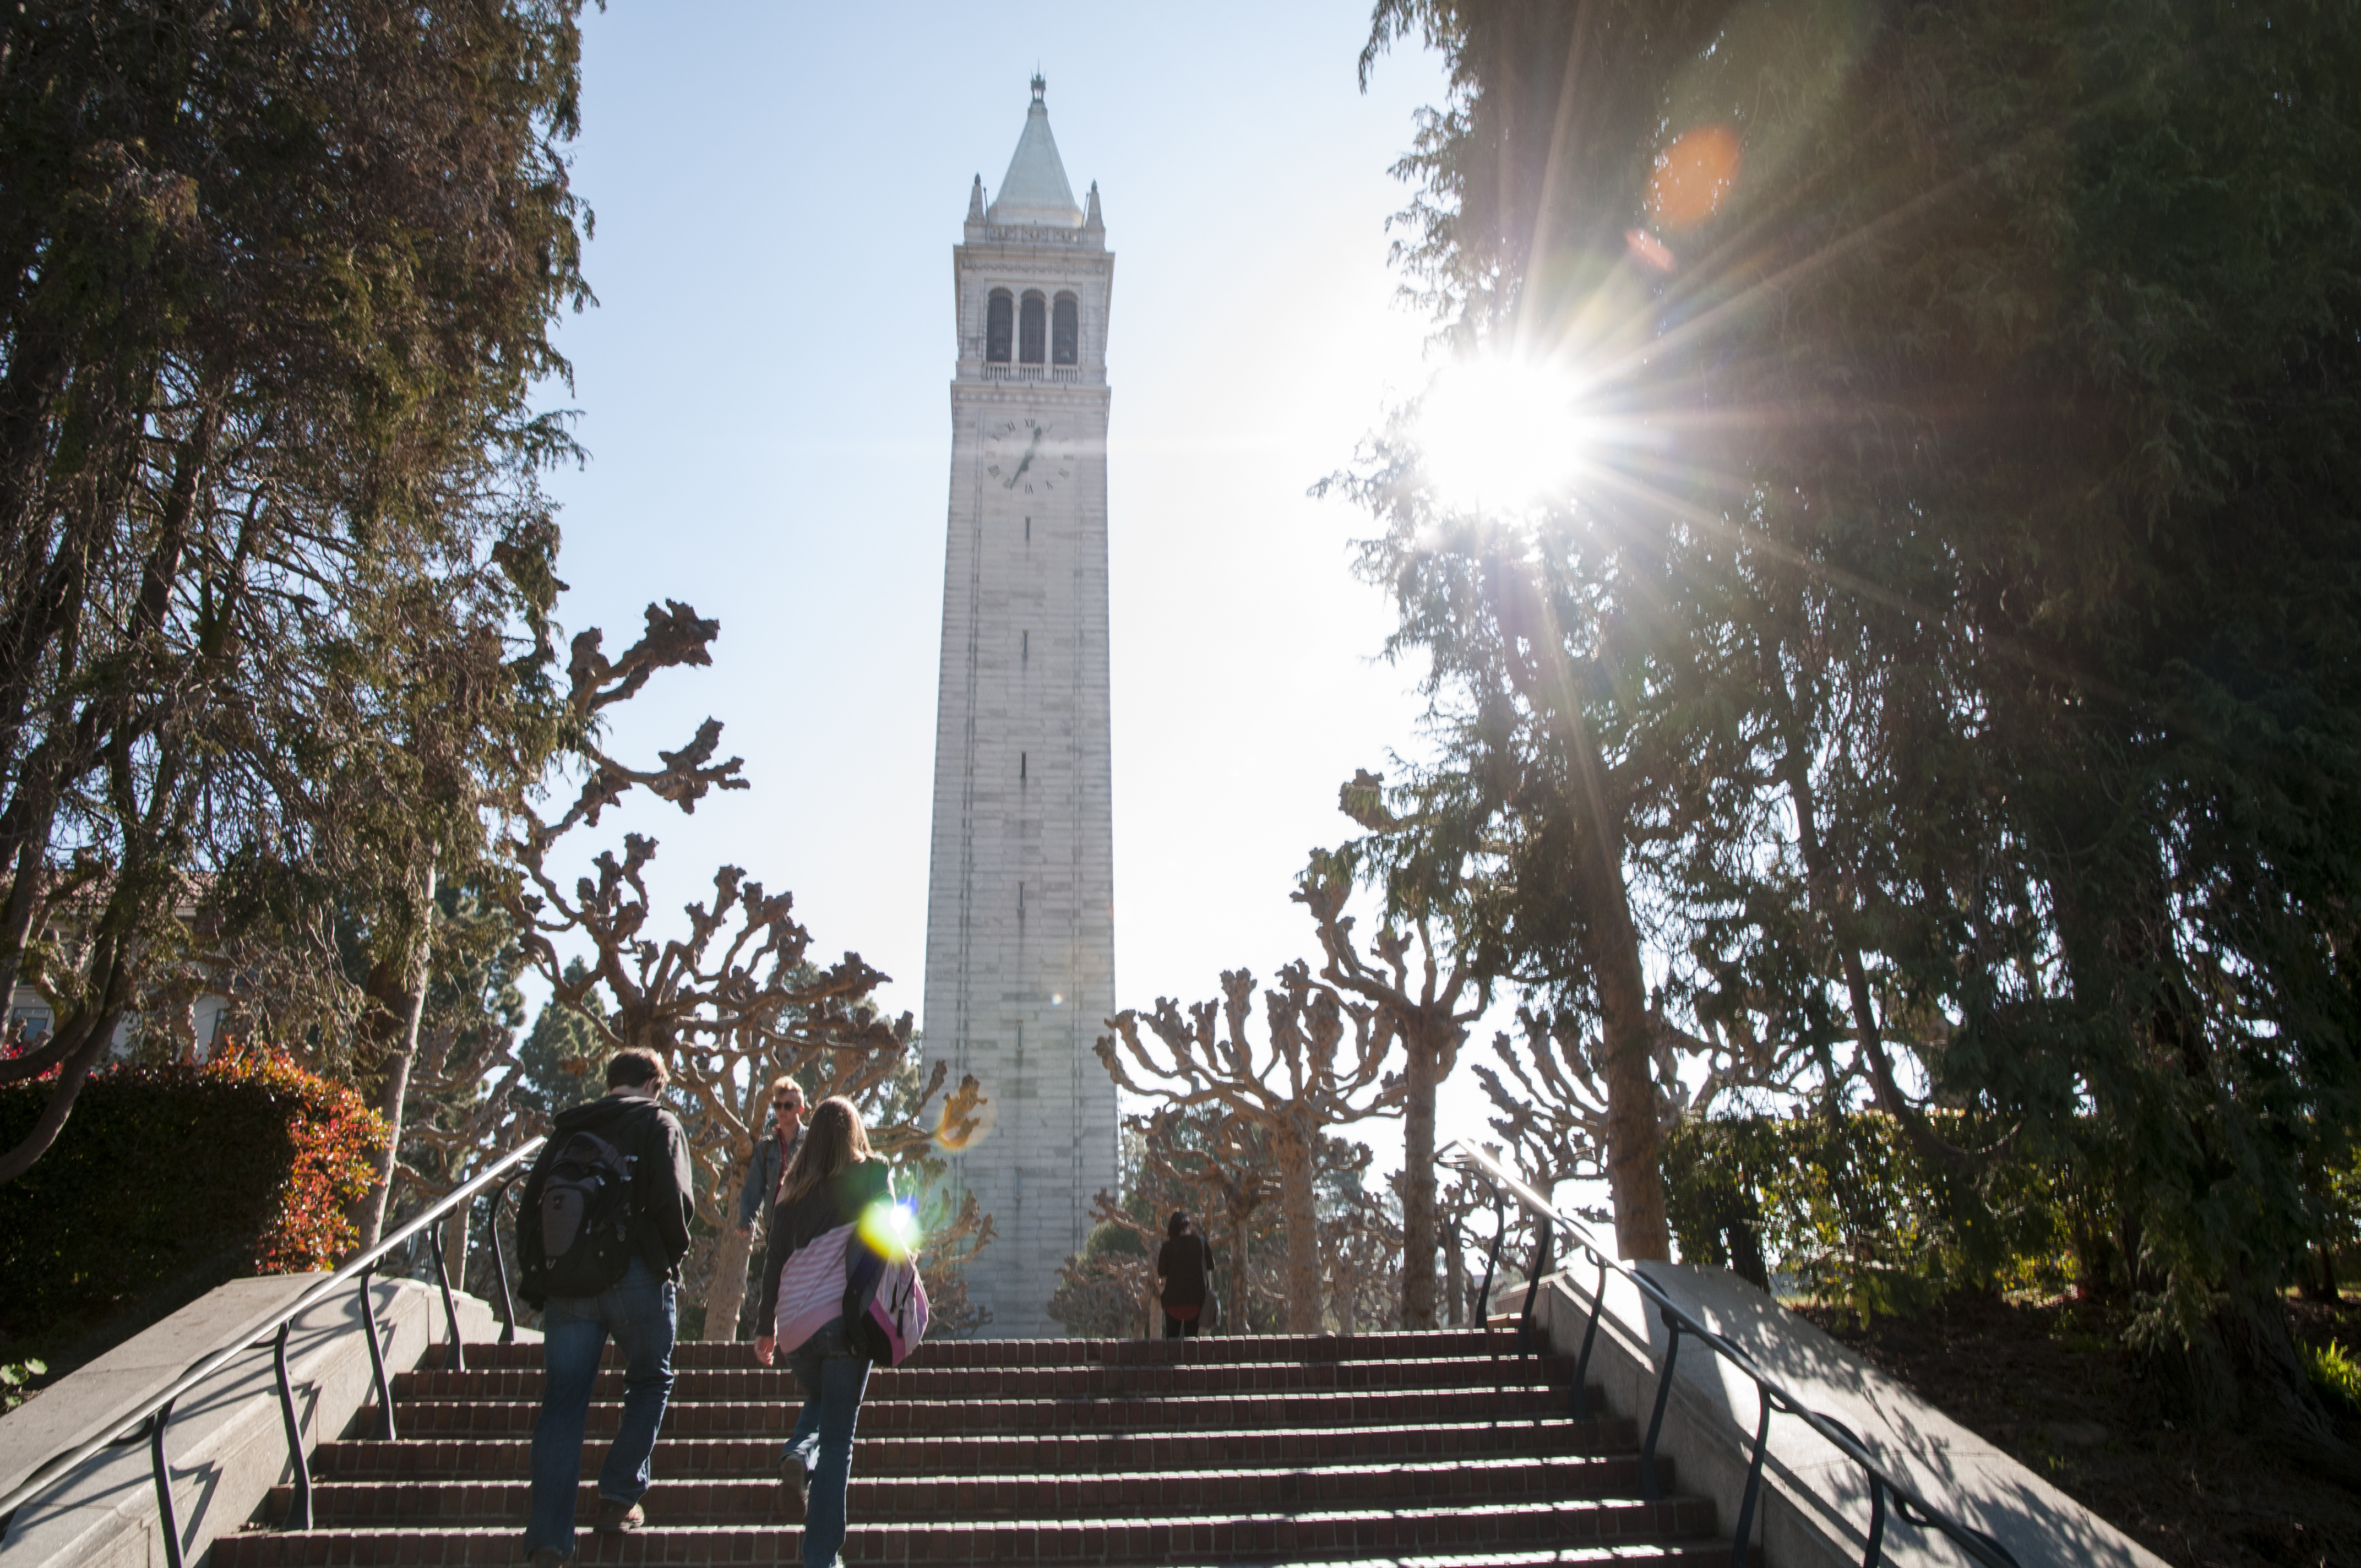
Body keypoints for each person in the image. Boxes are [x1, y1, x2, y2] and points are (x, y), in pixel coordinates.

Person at [517, 1048, 694, 1566]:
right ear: (654, 1083)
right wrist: (667, 1257)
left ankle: (549, 1537)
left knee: (563, 1402)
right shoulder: (659, 1122)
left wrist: (541, 1279)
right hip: (638, 1273)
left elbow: (532, 1208)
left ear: (611, 1081)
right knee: (650, 1379)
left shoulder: (570, 1130)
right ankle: (618, 1496)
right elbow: (676, 1201)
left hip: (570, 1284)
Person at [754, 1096, 895, 1568]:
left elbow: (773, 1260)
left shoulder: (792, 1188)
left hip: (796, 1327)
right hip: (847, 1322)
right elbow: (891, 1237)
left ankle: (796, 1452)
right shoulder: (874, 1172)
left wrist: (764, 1327)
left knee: (822, 1399)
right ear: (855, 1133)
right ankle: (820, 1558)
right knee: (837, 1440)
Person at [737, 1076, 808, 1237]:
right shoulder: (765, 1147)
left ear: (800, 1109)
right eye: (778, 1105)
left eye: (788, 1106)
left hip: (806, 1228)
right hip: (775, 1228)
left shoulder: (813, 1141)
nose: (782, 1110)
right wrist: (745, 1220)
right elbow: (754, 1188)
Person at [1156, 1211, 1213, 1338]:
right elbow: (1211, 1265)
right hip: (1195, 1304)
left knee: (1171, 1343)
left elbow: (1161, 1272)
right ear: (1189, 1227)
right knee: (1191, 1343)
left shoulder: (1167, 1247)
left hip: (1172, 1304)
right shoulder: (1200, 1243)